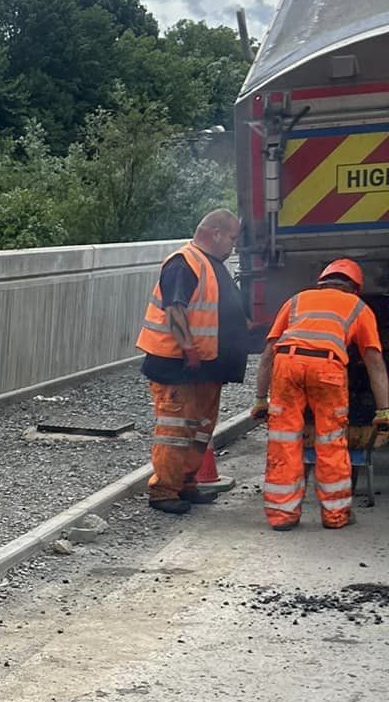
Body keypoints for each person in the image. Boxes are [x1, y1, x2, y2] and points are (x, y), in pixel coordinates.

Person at [249, 258, 389, 529]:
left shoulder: (296, 301)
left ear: (321, 282)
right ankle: (336, 516)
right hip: (327, 369)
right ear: (354, 288)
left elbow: (268, 355)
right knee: (331, 441)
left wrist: (259, 399)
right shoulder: (358, 307)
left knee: (284, 441)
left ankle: (282, 516)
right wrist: (384, 411)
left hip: (286, 365)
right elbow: (374, 362)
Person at [135, 209, 246, 514]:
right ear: (216, 234)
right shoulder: (184, 262)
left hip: (205, 367)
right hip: (178, 366)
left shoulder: (210, 265)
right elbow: (175, 310)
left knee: (199, 429)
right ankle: (163, 491)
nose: (233, 246)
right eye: (232, 238)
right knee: (175, 429)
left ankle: (186, 483)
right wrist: (188, 348)